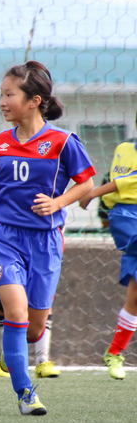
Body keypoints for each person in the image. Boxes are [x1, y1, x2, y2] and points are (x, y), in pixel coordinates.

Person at [0, 61, 95, 415]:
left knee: (34, 326)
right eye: (1, 95)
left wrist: (58, 202)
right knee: (15, 310)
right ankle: (26, 393)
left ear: (34, 101)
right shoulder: (1, 142)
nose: (2, 102)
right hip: (4, 236)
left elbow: (86, 182)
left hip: (45, 240)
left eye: (9, 95)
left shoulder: (63, 142)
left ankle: (12, 350)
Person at [78, 113, 137, 380]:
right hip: (126, 216)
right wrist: (92, 193)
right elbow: (126, 182)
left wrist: (93, 193)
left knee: (135, 296)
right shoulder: (124, 149)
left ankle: (114, 352)